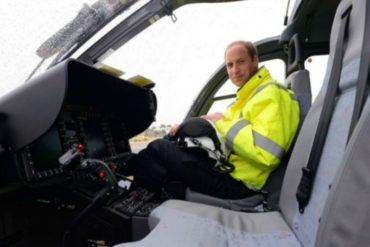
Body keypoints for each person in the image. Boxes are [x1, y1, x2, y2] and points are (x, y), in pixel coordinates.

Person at [131, 40, 300, 199]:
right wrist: (206, 123)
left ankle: (132, 202)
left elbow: (266, 155)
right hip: (228, 169)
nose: (235, 70)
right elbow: (236, 132)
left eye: (241, 62)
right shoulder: (249, 96)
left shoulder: (271, 94)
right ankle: (130, 180)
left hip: (240, 183)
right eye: (230, 65)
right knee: (170, 144)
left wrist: (221, 121)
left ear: (255, 61)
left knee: (159, 148)